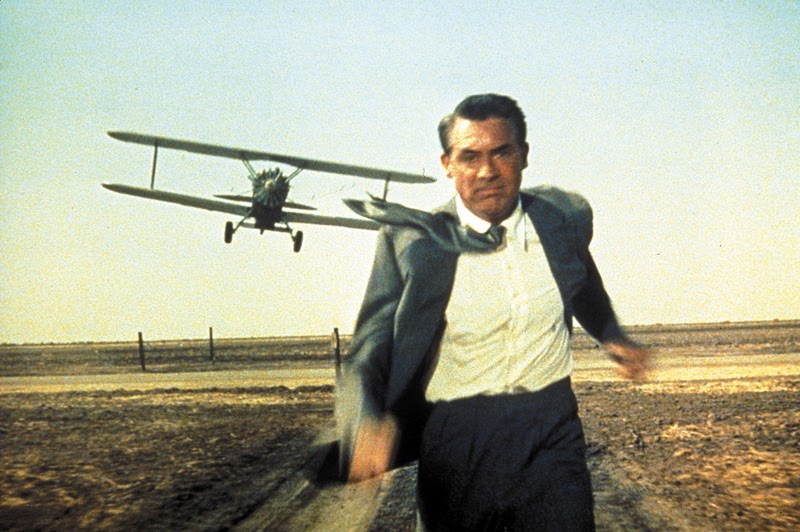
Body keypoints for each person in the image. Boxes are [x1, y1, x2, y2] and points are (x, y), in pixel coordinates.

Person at [336, 94, 650, 531]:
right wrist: (366, 419)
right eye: (470, 157)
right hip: (456, 437)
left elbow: (581, 281)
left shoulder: (563, 218)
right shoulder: (413, 241)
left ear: (524, 155)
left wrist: (612, 334)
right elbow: (371, 342)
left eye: (501, 153)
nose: (487, 171)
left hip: (550, 428)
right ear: (447, 164)